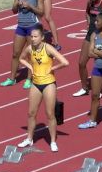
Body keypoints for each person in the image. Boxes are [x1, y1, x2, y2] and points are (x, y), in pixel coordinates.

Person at [17, 24, 69, 152]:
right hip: (35, 83)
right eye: (32, 36)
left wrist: (53, 68)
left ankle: (52, 141)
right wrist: (30, 67)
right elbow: (21, 58)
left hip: (49, 84)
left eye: (35, 36)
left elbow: (65, 62)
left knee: (50, 114)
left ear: (42, 37)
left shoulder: (48, 48)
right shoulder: (30, 49)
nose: (33, 38)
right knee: (31, 113)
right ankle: (29, 138)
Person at [78, 10, 102, 132]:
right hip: (97, 69)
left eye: (97, 20)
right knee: (94, 95)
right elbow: (89, 53)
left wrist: (97, 52)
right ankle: (92, 121)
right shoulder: (94, 34)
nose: (95, 22)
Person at [0, 0, 44, 89]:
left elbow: (41, 12)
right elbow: (14, 11)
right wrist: (16, 5)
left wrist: (30, 6)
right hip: (20, 27)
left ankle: (29, 79)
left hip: (32, 26)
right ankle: (12, 79)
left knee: (30, 55)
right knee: (15, 54)